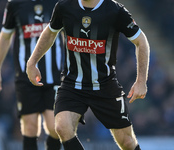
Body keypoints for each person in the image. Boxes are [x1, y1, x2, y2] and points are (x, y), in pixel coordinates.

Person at [26, 0, 150, 149]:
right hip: (72, 84)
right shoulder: (64, 6)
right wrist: (32, 62)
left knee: (127, 142)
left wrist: (141, 80)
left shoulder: (115, 10)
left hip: (105, 85)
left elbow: (141, 41)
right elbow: (50, 33)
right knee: (62, 127)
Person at [0, 0, 63, 150]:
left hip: (54, 75)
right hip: (25, 76)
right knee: (30, 126)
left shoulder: (58, 3)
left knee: (55, 127)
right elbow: (5, 37)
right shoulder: (15, 4)